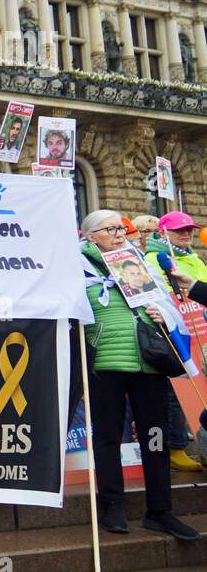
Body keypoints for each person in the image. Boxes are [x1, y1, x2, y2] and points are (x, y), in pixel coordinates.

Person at [80, 209, 199, 541]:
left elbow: (169, 305)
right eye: (111, 228)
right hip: (106, 364)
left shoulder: (138, 262)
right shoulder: (78, 268)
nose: (120, 233)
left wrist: (161, 313)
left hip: (149, 364)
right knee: (107, 437)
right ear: (91, 237)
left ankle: (160, 511)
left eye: (122, 227)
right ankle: (112, 506)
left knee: (155, 437)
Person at [144, 210, 206, 472]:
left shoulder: (193, 257)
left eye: (189, 229)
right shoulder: (151, 259)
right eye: (179, 230)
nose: (186, 234)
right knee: (177, 390)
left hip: (201, 329)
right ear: (163, 233)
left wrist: (193, 287)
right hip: (175, 332)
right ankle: (176, 445)